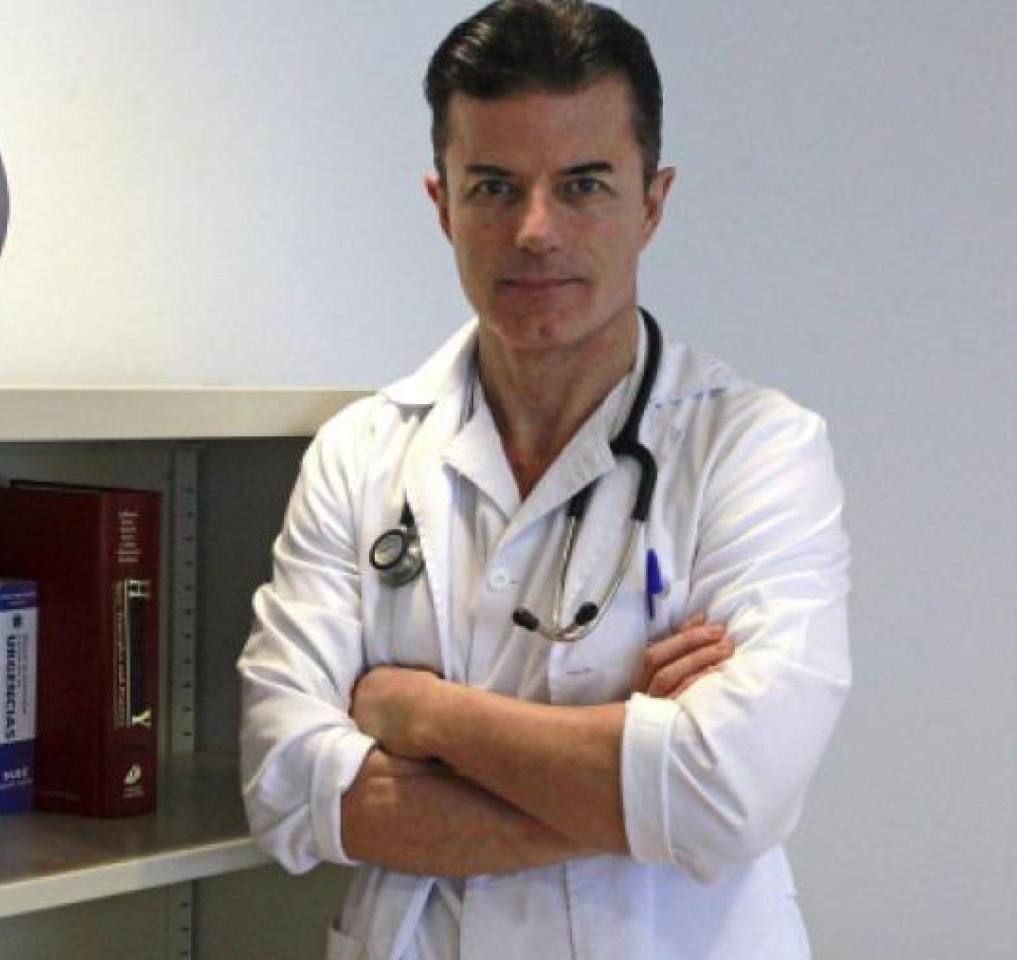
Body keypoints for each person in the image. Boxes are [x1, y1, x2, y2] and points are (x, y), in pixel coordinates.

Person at [236, 2, 851, 958]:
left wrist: (419, 713)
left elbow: (732, 794)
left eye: (583, 185)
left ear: (652, 202)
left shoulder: (756, 450)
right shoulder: (360, 453)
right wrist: (633, 781)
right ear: (441, 204)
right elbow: (284, 785)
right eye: (493, 186)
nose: (534, 230)